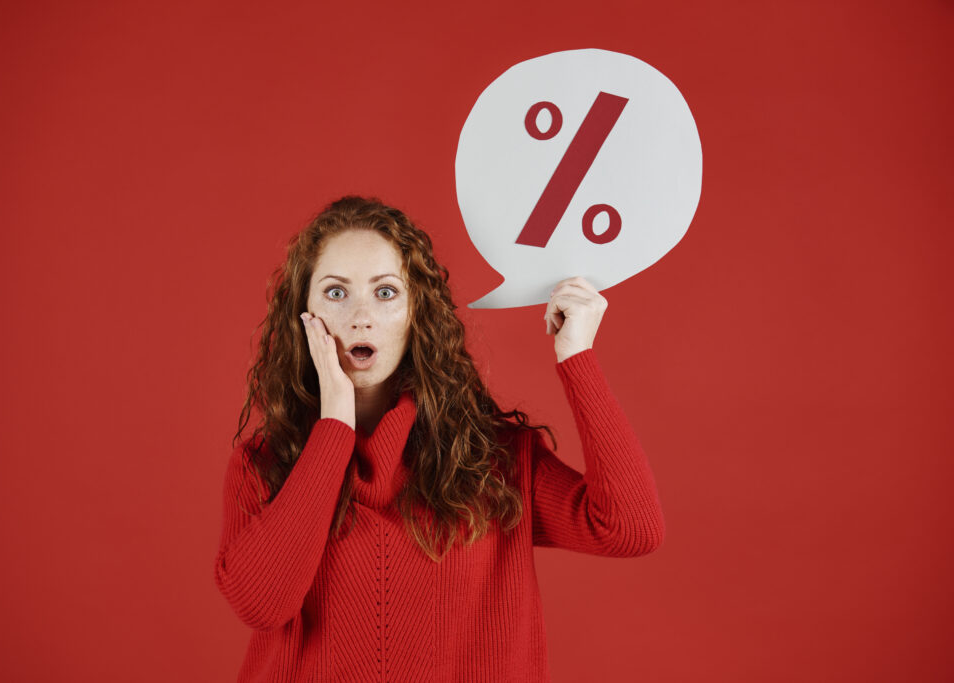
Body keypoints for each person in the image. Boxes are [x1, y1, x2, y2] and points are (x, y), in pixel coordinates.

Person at [213, 195, 665, 682]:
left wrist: (576, 356)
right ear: (302, 313)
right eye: (336, 293)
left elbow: (629, 528)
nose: (360, 316)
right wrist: (335, 426)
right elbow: (262, 605)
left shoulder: (491, 458)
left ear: (416, 315)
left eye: (386, 293)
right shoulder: (264, 464)